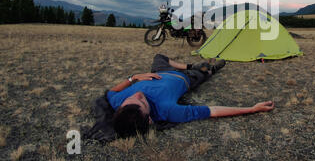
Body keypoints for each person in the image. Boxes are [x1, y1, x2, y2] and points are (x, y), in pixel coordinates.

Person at [107, 54, 275, 138]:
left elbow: (112, 91)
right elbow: (213, 111)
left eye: (131, 99)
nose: (137, 94)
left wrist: (133, 78)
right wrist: (252, 109)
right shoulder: (168, 110)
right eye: (141, 101)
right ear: (149, 119)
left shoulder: (117, 102)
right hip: (185, 79)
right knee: (203, 73)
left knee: (159, 57)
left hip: (160, 72)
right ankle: (208, 69)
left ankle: (190, 65)